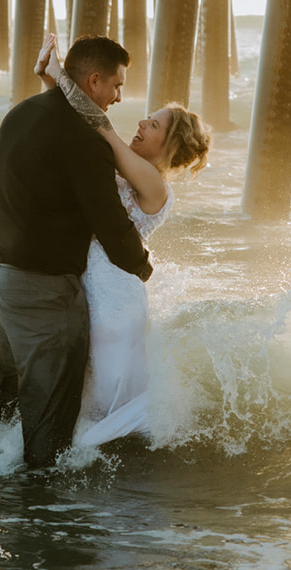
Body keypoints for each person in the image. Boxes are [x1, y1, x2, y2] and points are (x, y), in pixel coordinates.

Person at [0, 35, 152, 469]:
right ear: (94, 81)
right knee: (49, 425)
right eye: (116, 85)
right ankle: (42, 524)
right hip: (43, 297)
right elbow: (111, 223)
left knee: (5, 404)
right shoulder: (81, 139)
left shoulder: (20, 114)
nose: (119, 96)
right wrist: (141, 266)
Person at [35, 34, 211, 450]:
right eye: (147, 118)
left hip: (115, 300)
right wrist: (52, 84)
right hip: (94, 288)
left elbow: (98, 128)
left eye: (154, 125)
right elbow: (83, 129)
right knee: (89, 395)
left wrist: (60, 76)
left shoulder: (154, 183)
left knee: (105, 403)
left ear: (169, 145)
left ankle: (96, 479)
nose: (141, 124)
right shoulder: (134, 170)